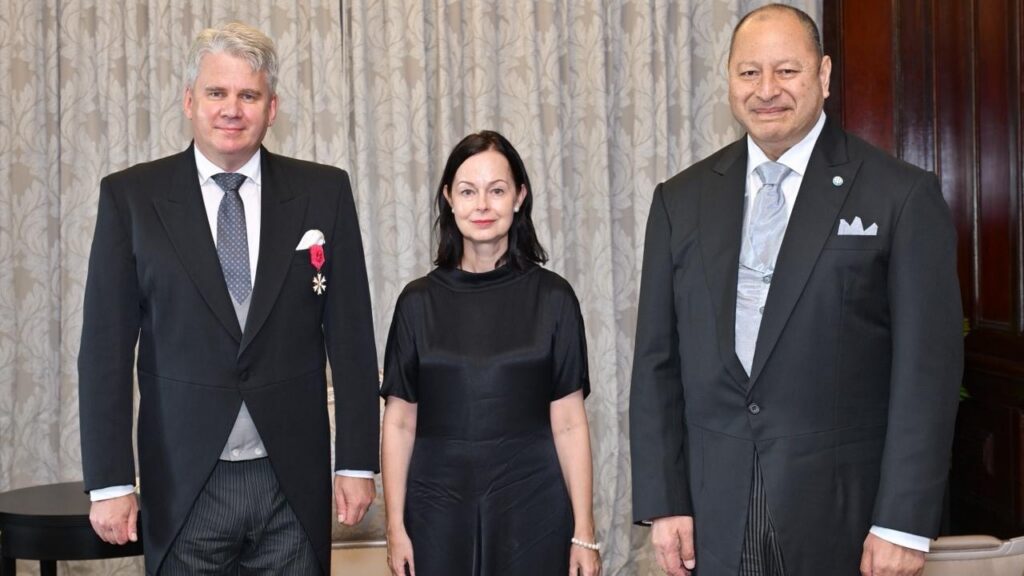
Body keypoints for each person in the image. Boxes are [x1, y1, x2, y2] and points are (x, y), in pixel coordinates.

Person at [629, 5, 962, 576]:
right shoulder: (678, 201)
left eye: (787, 71)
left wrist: (902, 520)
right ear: (729, 79)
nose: (766, 90)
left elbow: (926, 371)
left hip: (844, 517)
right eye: (749, 72)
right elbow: (657, 360)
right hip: (715, 510)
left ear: (824, 75)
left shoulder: (900, 196)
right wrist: (665, 501)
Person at [78, 22, 380, 575]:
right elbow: (105, 352)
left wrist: (358, 462)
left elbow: (353, 339)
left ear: (273, 108)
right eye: (217, 92)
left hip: (291, 479)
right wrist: (111, 481)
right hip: (185, 482)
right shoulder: (131, 199)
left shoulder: (324, 192)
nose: (231, 109)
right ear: (190, 101)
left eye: (249, 95)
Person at [379, 131, 601, 576]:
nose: (482, 205)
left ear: (519, 197)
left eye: (496, 190)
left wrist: (584, 531)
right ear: (449, 198)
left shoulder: (554, 298)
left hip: (534, 511)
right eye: (467, 191)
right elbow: (400, 422)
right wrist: (395, 527)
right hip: (435, 512)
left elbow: (570, 422)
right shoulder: (417, 303)